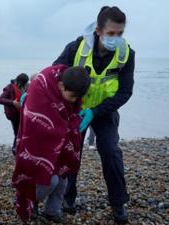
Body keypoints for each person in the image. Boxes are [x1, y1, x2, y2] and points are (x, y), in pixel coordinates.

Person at [53, 6, 135, 222]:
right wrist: (33, 91)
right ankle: (67, 197)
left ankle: (118, 203)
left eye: (120, 34)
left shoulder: (127, 55)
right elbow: (54, 73)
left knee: (110, 151)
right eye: (111, 33)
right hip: (75, 110)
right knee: (71, 153)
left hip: (104, 111)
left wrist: (96, 111)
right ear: (98, 30)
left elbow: (125, 92)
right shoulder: (76, 48)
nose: (115, 38)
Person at [12, 65, 90, 223]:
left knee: (63, 177)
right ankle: (30, 200)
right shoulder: (41, 87)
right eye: (73, 96)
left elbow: (73, 110)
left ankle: (52, 210)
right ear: (61, 86)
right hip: (38, 144)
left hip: (61, 142)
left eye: (78, 98)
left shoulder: (71, 83)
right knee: (49, 180)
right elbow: (34, 122)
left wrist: (77, 118)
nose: (75, 101)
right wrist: (61, 129)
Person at [0, 73, 29, 155]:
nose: (23, 86)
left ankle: (19, 148)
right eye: (23, 84)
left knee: (22, 131)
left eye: (25, 84)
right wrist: (13, 103)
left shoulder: (25, 86)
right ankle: (15, 149)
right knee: (17, 131)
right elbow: (0, 99)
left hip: (23, 113)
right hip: (13, 114)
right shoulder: (9, 88)